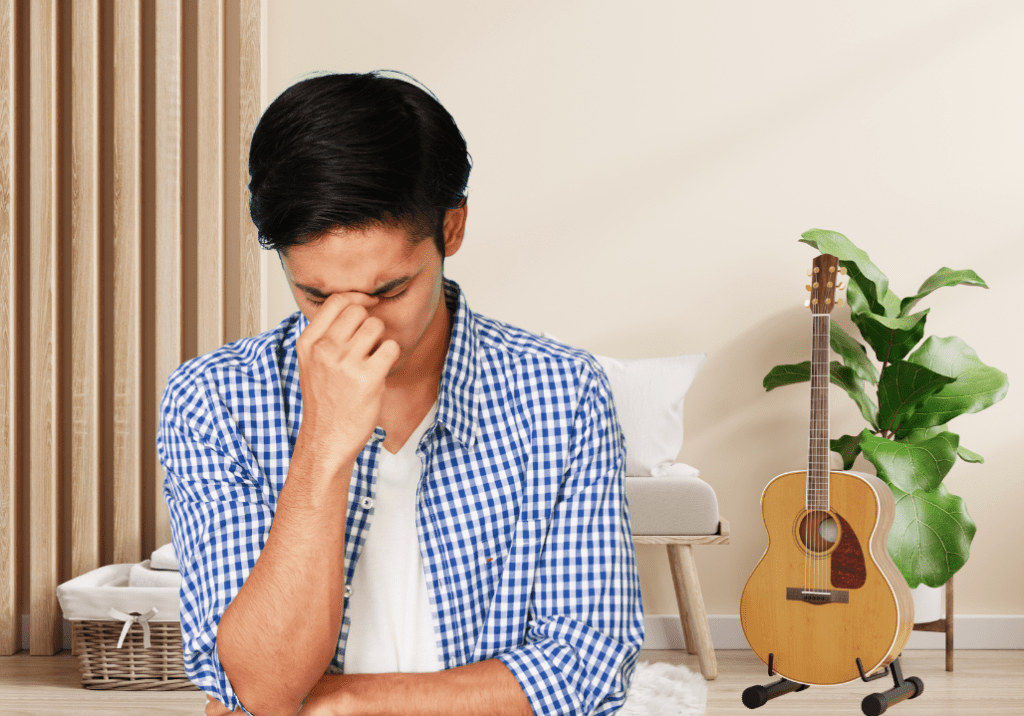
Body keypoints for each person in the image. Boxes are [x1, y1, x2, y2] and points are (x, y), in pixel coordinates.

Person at [157, 70, 644, 716]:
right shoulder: (213, 398)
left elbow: (588, 664)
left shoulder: (563, 391)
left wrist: (346, 705)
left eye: (388, 292)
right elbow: (263, 687)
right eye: (317, 296)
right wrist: (323, 448)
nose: (355, 328)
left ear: (454, 228)